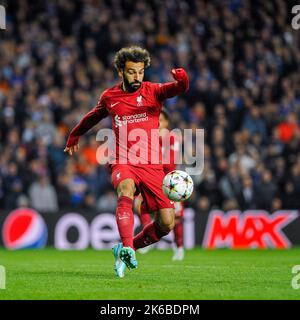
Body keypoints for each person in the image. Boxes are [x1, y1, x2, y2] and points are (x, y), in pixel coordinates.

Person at [64, 46, 189, 278]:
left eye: (141, 72)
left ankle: (125, 250)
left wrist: (182, 79)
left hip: (152, 164)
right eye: (132, 72)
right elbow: (92, 116)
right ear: (121, 71)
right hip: (123, 159)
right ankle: (128, 246)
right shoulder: (110, 97)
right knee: (126, 190)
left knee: (167, 222)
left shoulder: (153, 91)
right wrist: (74, 134)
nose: (137, 77)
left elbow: (178, 88)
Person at [136, 109, 185, 260]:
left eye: (161, 120)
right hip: (154, 179)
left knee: (174, 219)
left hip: (170, 182)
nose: (158, 124)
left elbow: (168, 162)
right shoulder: (150, 138)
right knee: (140, 205)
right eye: (156, 121)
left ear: (166, 123)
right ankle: (147, 239)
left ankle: (179, 247)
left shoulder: (170, 136)